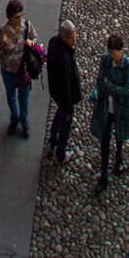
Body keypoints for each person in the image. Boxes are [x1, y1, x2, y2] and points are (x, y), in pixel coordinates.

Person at [91, 32, 129, 192]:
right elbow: (100, 80)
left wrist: (109, 86)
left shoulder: (128, 65)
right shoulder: (105, 60)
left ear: (121, 50)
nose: (113, 57)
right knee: (105, 141)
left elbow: (126, 90)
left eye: (115, 53)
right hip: (106, 107)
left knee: (119, 136)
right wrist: (104, 88)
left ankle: (119, 158)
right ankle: (103, 176)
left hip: (120, 108)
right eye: (111, 53)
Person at [0, 0, 37, 136]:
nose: (19, 19)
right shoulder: (3, 31)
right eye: (16, 17)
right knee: (11, 97)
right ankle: (14, 119)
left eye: (21, 16)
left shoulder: (27, 26)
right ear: (10, 17)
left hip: (23, 69)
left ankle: (24, 122)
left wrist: (31, 42)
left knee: (24, 99)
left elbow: (34, 38)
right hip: (8, 70)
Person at [46, 19, 83, 164]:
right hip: (64, 95)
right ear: (64, 38)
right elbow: (66, 84)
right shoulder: (64, 57)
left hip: (55, 90)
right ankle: (60, 154)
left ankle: (52, 141)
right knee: (65, 124)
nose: (74, 40)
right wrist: (69, 108)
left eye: (75, 36)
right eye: (71, 38)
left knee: (59, 113)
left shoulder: (53, 42)